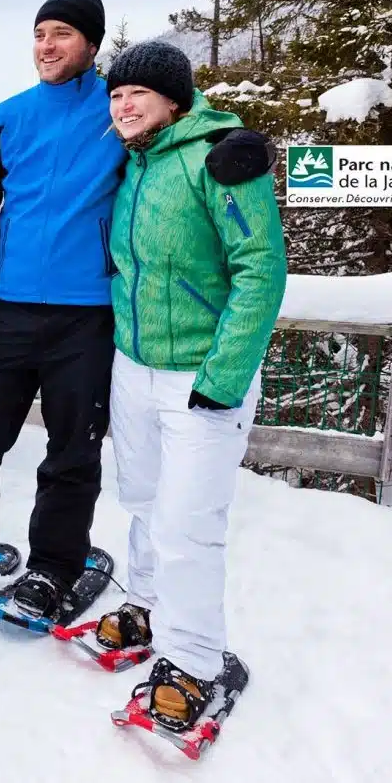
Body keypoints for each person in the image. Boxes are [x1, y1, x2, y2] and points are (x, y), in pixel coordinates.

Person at [0, 0, 273, 621]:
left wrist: (242, 145)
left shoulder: (118, 109)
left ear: (91, 45)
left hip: (91, 319)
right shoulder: (4, 120)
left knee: (72, 455)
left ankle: (54, 568)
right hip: (9, 310)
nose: (47, 45)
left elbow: (181, 124)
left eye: (63, 33)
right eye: (40, 33)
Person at [89, 40, 287, 731]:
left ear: (175, 98)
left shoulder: (218, 158)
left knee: (188, 526)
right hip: (133, 365)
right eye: (115, 95)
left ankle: (194, 664)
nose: (122, 104)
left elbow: (261, 269)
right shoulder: (135, 161)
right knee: (142, 497)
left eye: (136, 93)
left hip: (202, 376)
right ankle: (144, 603)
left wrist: (224, 376)